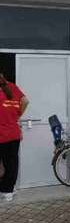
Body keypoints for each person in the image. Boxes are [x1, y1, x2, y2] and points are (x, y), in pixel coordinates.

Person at [0, 71, 29, 202]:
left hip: (3, 134)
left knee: (7, 163)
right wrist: (17, 116)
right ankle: (8, 188)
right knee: (11, 162)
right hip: (13, 133)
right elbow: (25, 101)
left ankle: (7, 190)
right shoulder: (12, 86)